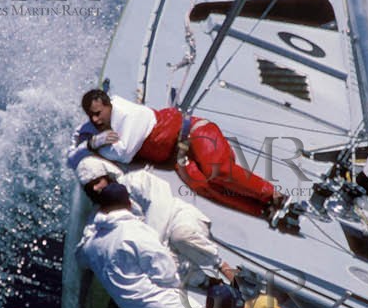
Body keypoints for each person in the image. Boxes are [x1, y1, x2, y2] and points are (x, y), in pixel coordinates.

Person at [70, 88, 278, 218]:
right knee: (206, 187)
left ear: (109, 105)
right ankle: (262, 210)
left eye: (98, 114)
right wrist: (92, 143)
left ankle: (274, 195)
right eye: (91, 116)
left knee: (218, 172)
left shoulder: (130, 114)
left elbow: (124, 153)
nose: (95, 120)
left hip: (195, 133)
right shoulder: (98, 126)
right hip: (180, 157)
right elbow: (72, 153)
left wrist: (97, 145)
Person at [75, 155, 236, 286]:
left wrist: (154, 247)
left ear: (107, 175)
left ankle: (222, 266)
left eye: (97, 182)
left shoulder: (138, 180)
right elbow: (82, 253)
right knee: (165, 267)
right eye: (89, 187)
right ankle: (209, 284)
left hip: (177, 219)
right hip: (158, 244)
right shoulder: (100, 214)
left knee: (181, 236)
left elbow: (160, 209)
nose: (95, 188)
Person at [75, 183, 187, 308]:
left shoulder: (92, 243)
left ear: (102, 208)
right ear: (129, 203)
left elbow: (80, 259)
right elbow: (167, 274)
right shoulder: (136, 231)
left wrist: (91, 230)